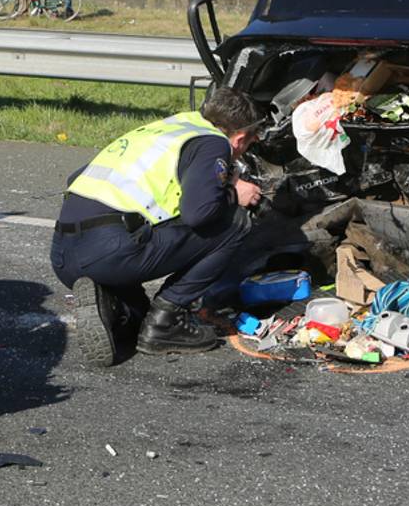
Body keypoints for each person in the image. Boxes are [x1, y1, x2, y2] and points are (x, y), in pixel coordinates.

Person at [51, 86, 266, 366]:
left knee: (140, 317)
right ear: (239, 139)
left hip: (64, 254)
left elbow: (75, 178)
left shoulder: (170, 128)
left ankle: (114, 308)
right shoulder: (213, 143)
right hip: (111, 251)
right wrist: (234, 193)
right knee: (234, 222)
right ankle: (167, 319)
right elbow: (199, 214)